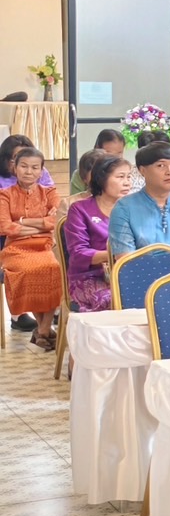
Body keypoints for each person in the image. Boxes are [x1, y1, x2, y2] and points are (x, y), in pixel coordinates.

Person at [0, 147, 63, 351]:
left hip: (45, 246)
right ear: (14, 168)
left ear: (42, 170)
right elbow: (4, 226)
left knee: (54, 268)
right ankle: (44, 329)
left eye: (35, 167)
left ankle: (43, 330)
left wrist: (24, 222)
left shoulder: (50, 193)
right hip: (16, 249)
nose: (29, 172)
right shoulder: (5, 195)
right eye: (24, 166)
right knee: (29, 271)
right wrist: (41, 224)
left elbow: (58, 219)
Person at [108, 143, 170, 261]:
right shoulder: (124, 208)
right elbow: (125, 263)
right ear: (142, 170)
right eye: (161, 165)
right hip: (142, 276)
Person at [63, 155, 133, 312]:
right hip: (90, 277)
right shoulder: (80, 209)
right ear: (102, 179)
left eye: (129, 176)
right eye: (120, 177)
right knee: (113, 300)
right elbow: (78, 253)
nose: (127, 182)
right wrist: (115, 254)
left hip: (129, 275)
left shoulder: (134, 209)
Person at [69, 129, 125, 193]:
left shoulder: (128, 172)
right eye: (109, 153)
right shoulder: (82, 173)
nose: (114, 158)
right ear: (97, 149)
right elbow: (74, 201)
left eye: (119, 153)